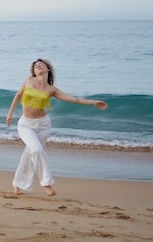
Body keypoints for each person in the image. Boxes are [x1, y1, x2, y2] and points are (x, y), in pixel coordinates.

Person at [6, 58, 107, 196]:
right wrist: (10, 113)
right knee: (36, 150)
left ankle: (17, 184)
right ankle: (46, 183)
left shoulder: (51, 89)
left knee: (30, 154)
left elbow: (73, 99)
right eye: (36, 66)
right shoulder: (29, 81)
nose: (38, 66)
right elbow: (18, 95)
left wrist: (94, 102)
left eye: (41, 64)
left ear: (48, 69)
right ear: (34, 72)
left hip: (43, 125)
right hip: (26, 125)